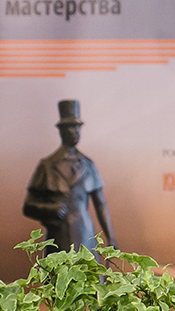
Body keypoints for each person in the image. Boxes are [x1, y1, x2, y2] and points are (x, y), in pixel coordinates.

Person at [23, 100, 118, 252]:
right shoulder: (47, 165)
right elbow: (28, 206)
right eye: (71, 127)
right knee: (58, 266)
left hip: (84, 235)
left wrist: (111, 238)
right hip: (58, 236)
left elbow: (100, 204)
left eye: (78, 127)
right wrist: (50, 209)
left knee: (86, 266)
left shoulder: (88, 165)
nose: (76, 131)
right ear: (61, 130)